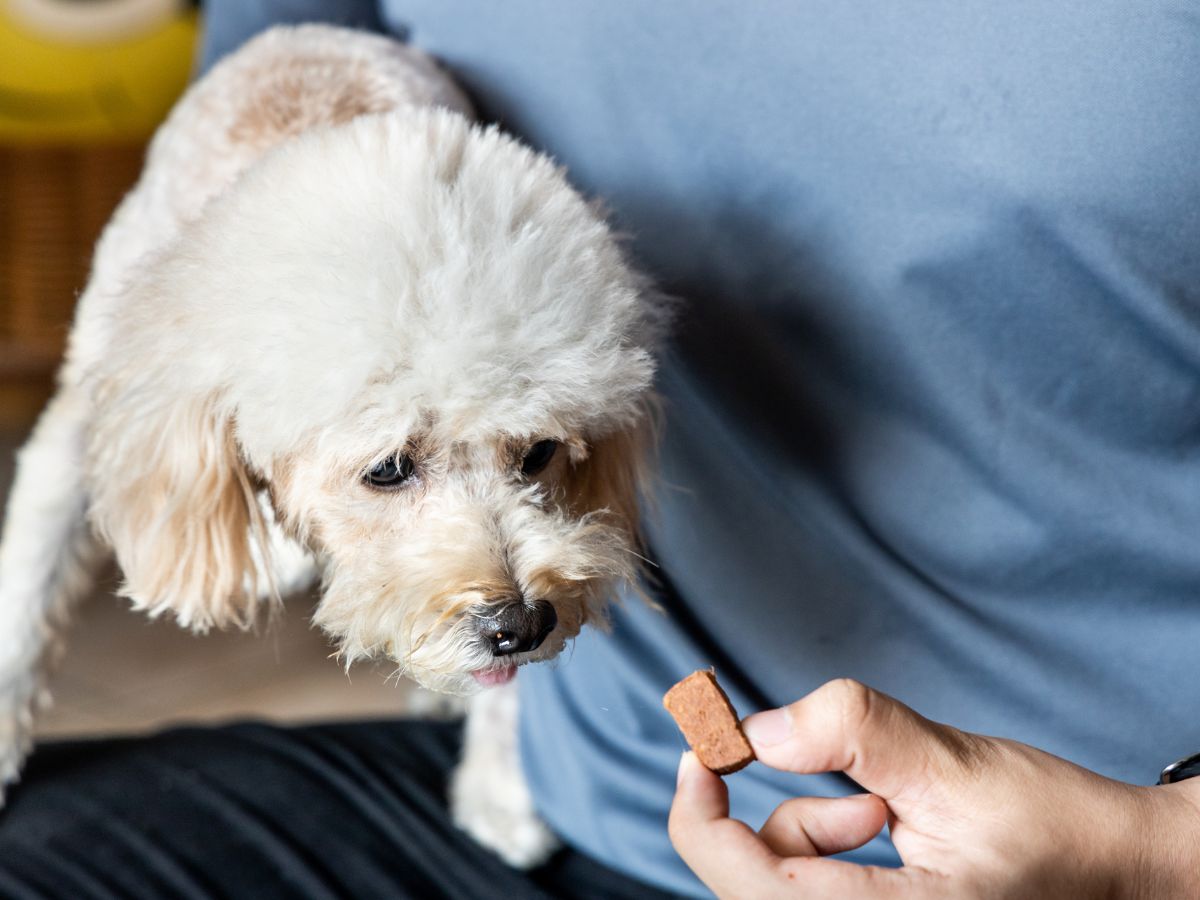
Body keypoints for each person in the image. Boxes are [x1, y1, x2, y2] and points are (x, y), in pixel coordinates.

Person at [3, 2, 1199, 896]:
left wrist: (1138, 850)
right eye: (394, 467)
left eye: (537, 455)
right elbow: (276, 97)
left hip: (1087, 842)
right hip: (586, 800)